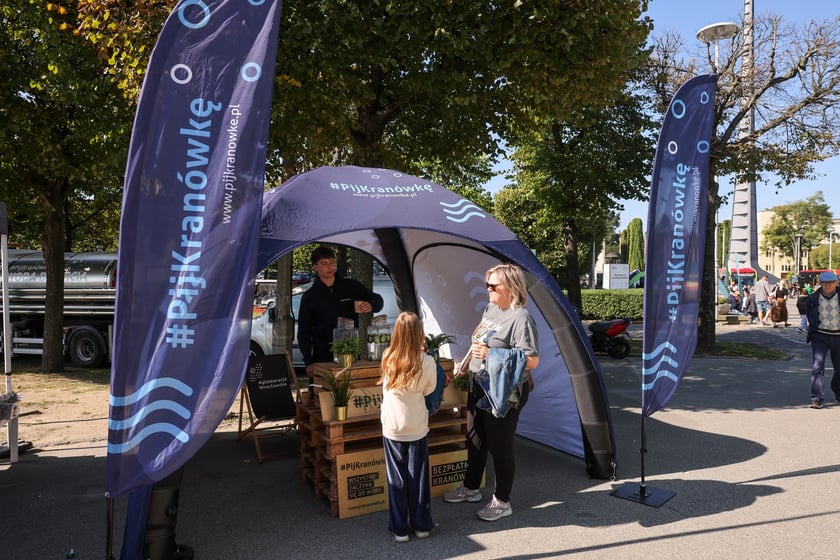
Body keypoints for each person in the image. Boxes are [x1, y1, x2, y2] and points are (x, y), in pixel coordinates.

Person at [443, 263, 539, 521]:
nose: (487, 290)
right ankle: (471, 488)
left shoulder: (521, 318)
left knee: (500, 446)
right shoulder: (491, 309)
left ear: (511, 287)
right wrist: (462, 368)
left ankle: (502, 501)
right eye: (486, 285)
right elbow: (478, 342)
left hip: (503, 390)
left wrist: (491, 354)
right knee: (475, 439)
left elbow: (532, 360)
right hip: (479, 382)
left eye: (493, 286)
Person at [378, 312, 437, 543]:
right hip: (417, 425)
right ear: (419, 334)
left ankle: (399, 528)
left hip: (393, 425)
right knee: (418, 478)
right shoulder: (427, 361)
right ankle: (422, 524)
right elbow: (429, 390)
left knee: (396, 480)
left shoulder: (388, 357)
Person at [297, 246, 384, 380]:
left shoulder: (350, 286)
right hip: (322, 357)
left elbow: (378, 299)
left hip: (350, 354)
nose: (329, 266)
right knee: (323, 397)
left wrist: (371, 305)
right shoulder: (310, 296)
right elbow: (304, 331)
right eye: (324, 263)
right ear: (315, 267)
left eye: (332, 262)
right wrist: (308, 362)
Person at [805, 271, 840, 409]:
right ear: (820, 283)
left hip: (839, 336)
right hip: (820, 336)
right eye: (824, 283)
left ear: (836, 282)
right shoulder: (812, 299)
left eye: (830, 282)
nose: (827, 286)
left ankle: (838, 391)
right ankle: (817, 397)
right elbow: (809, 315)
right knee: (817, 366)